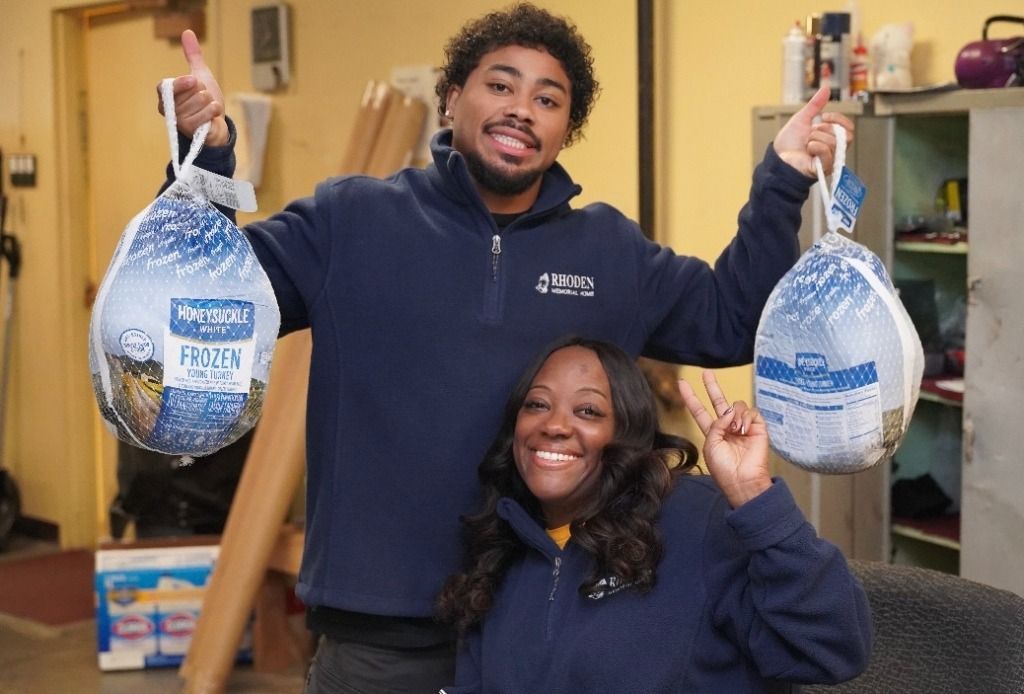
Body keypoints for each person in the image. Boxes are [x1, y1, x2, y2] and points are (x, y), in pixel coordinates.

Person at [159, 3, 854, 690]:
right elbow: (216, 304)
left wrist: (783, 179)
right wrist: (205, 158)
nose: (522, 108)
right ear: (452, 98)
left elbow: (729, 320)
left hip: (543, 624)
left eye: (548, 98)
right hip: (381, 637)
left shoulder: (611, 252)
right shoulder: (352, 221)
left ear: (565, 129)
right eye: (500, 85)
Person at [436, 335, 872, 692]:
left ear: (626, 433)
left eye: (588, 411)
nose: (554, 425)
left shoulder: (699, 518)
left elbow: (832, 648)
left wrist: (754, 495)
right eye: (536, 405)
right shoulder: (501, 552)